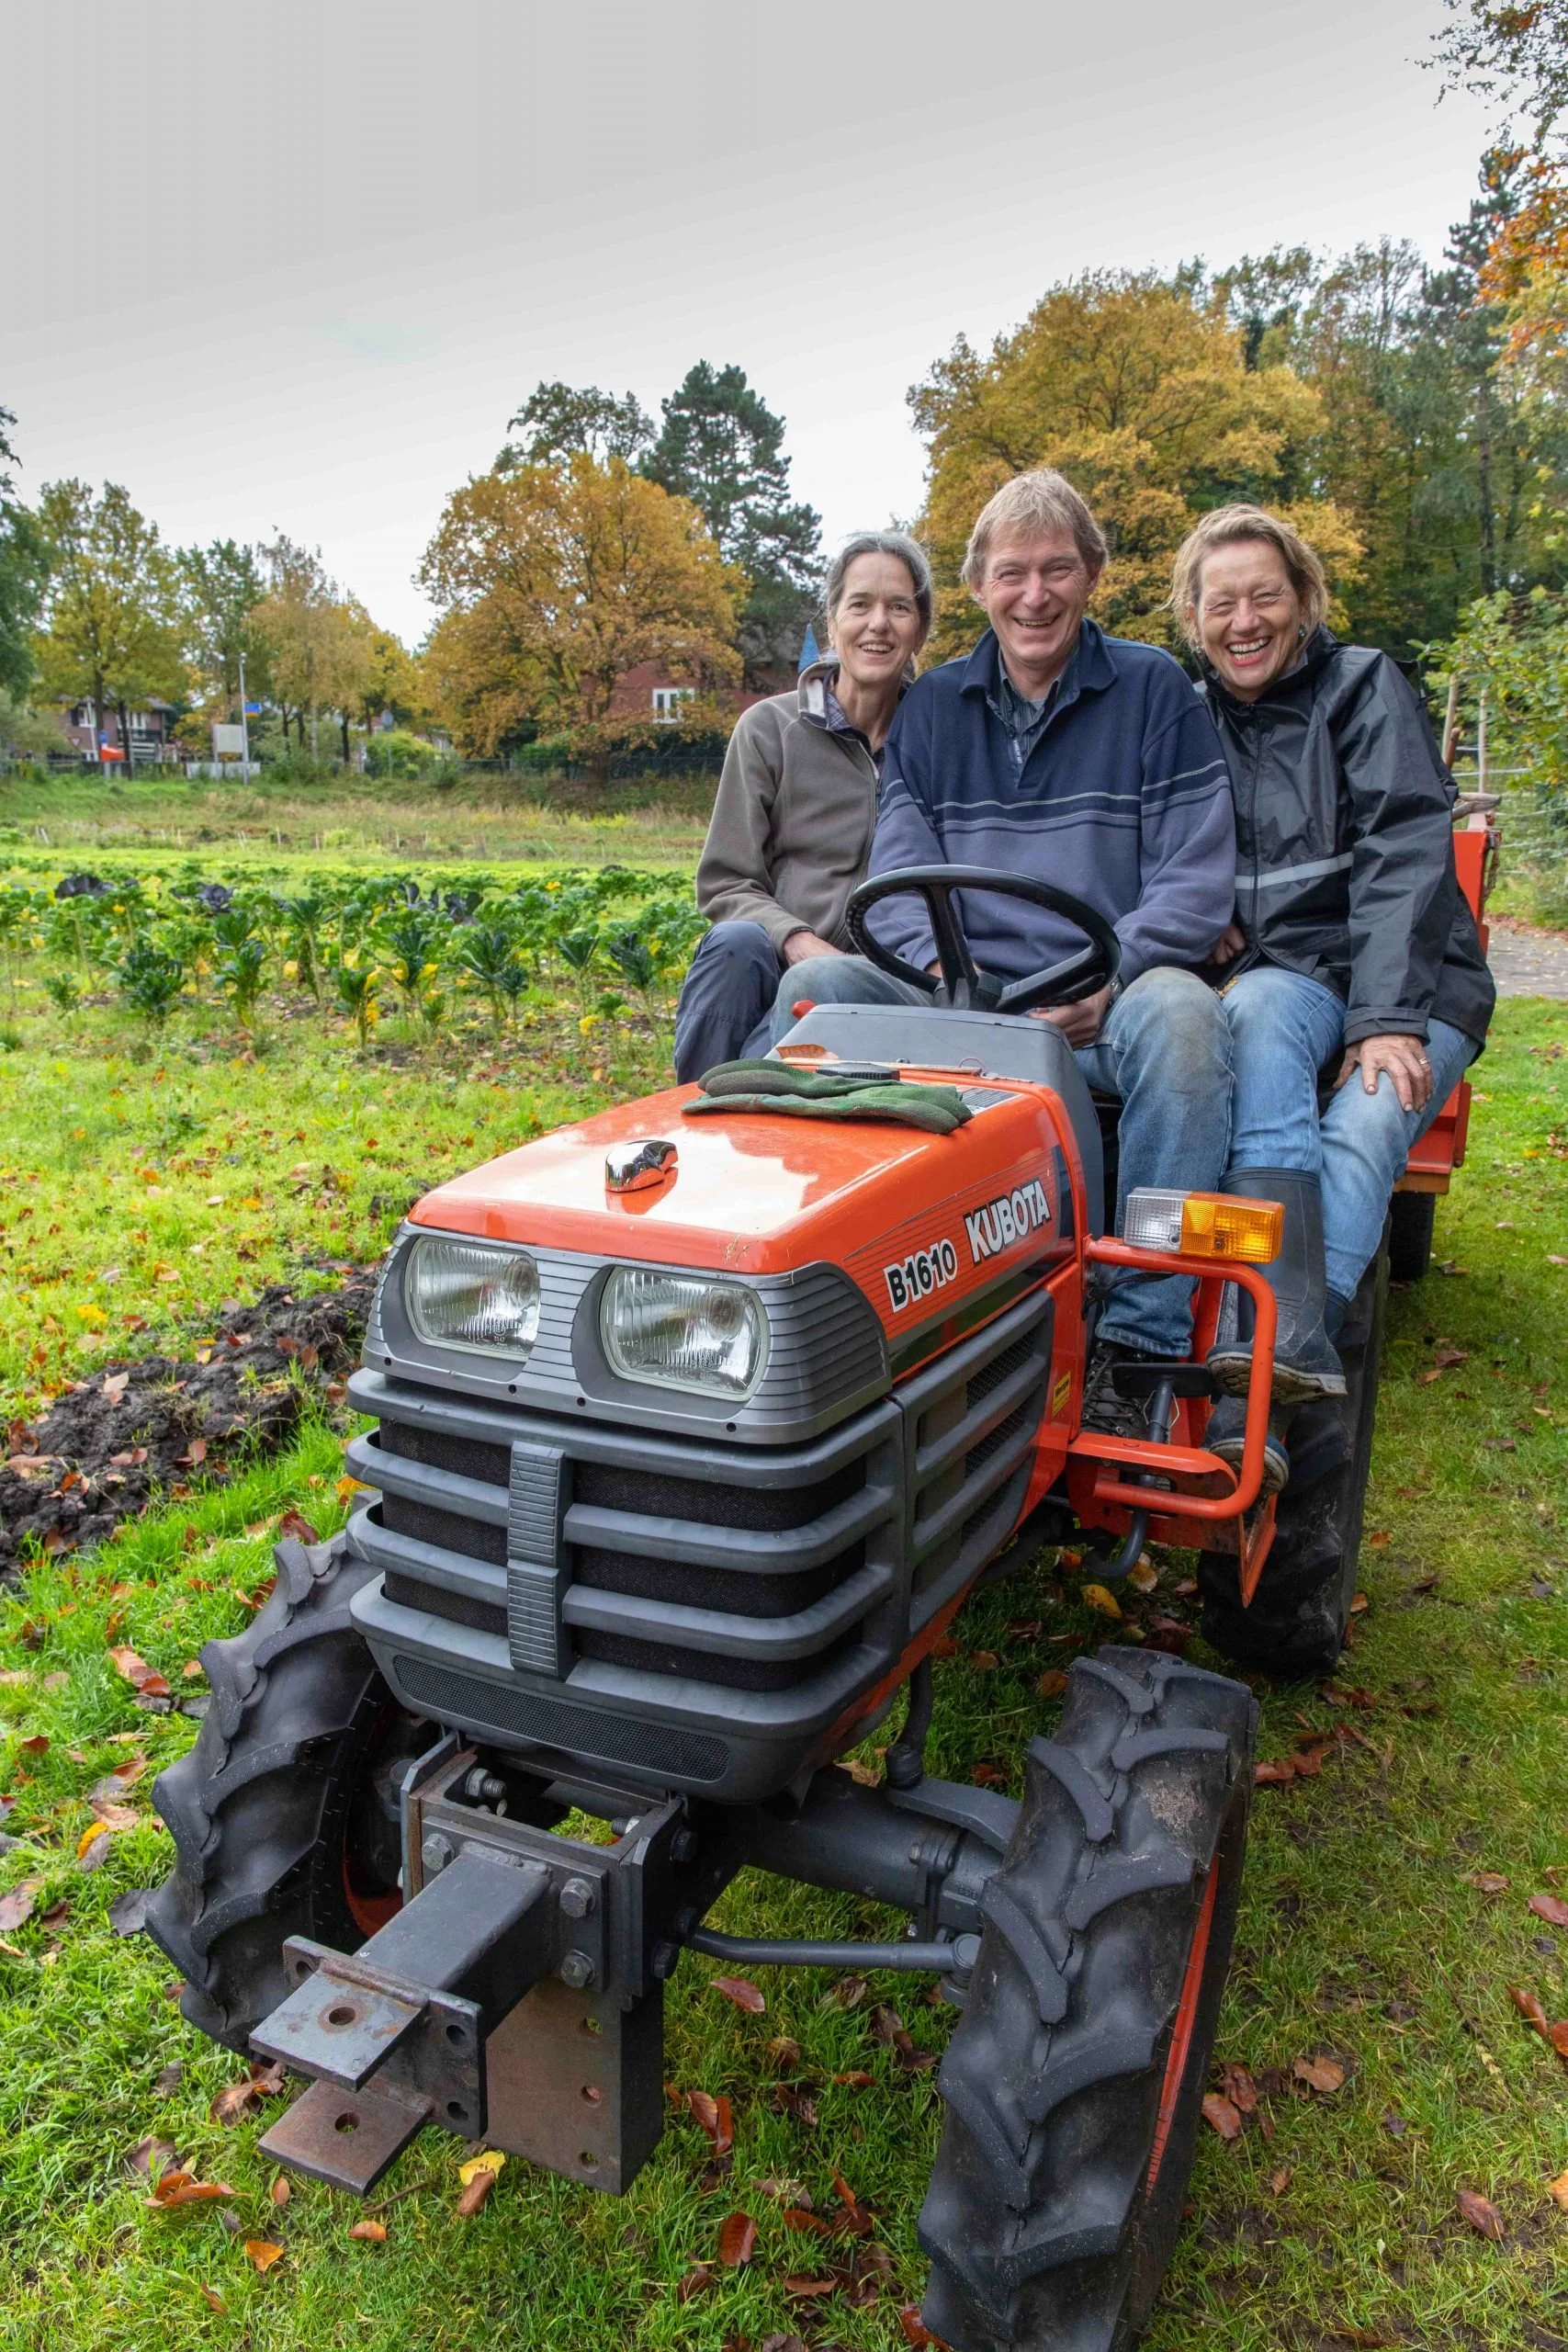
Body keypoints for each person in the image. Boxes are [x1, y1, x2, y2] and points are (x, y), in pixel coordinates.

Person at [772, 469, 1239, 1437]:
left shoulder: (1155, 692)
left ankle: (1137, 1343)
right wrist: (956, 985)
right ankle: (803, 1294)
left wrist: (1108, 982)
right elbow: (894, 881)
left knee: (1188, 1019)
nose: (1036, 595)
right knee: (817, 982)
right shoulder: (935, 709)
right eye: (1013, 572)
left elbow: (1194, 879)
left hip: (1099, 1008)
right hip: (959, 1002)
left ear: (1093, 575)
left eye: (1058, 570)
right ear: (980, 585)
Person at [1173, 503, 1495, 1492]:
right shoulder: (1187, 718)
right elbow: (1166, 846)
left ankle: (1262, 1371)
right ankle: (1276, 1339)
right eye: (1221, 602)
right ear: (1193, 619)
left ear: (1305, 598)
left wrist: (1387, 1017)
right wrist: (1199, 919)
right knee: (1258, 1010)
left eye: (1266, 594)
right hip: (1290, 972)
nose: (1245, 620)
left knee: (1363, 1126)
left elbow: (1405, 852)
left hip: (1413, 981)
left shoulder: (1363, 689)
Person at [671, 532, 932, 1082]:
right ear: (833, 623)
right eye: (860, 605)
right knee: (733, 946)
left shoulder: (941, 741)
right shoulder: (770, 729)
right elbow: (725, 884)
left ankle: (746, 1095)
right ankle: (694, 1109)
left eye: (899, 607)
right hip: (782, 958)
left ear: (920, 629)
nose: (878, 624)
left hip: (896, 976)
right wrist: (797, 940)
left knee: (807, 1024)